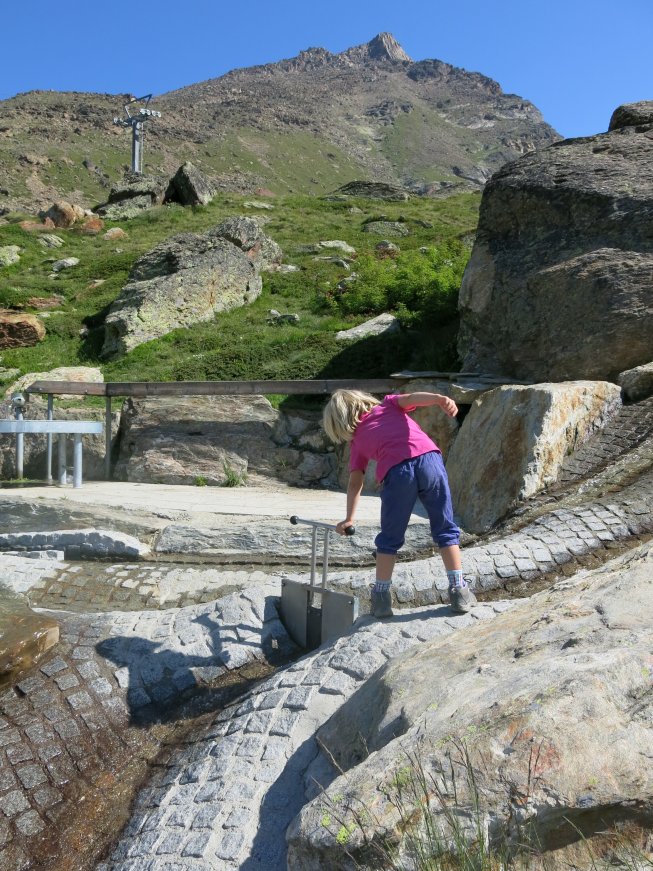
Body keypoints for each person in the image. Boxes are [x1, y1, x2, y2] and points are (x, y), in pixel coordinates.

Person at [322, 389, 476, 619]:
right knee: (445, 527)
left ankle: (381, 600)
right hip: (429, 461)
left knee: (390, 538)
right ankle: (458, 590)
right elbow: (413, 398)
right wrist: (439, 399)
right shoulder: (388, 404)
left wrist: (349, 519)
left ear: (338, 423)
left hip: (397, 473)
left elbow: (355, 483)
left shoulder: (357, 443)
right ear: (362, 400)